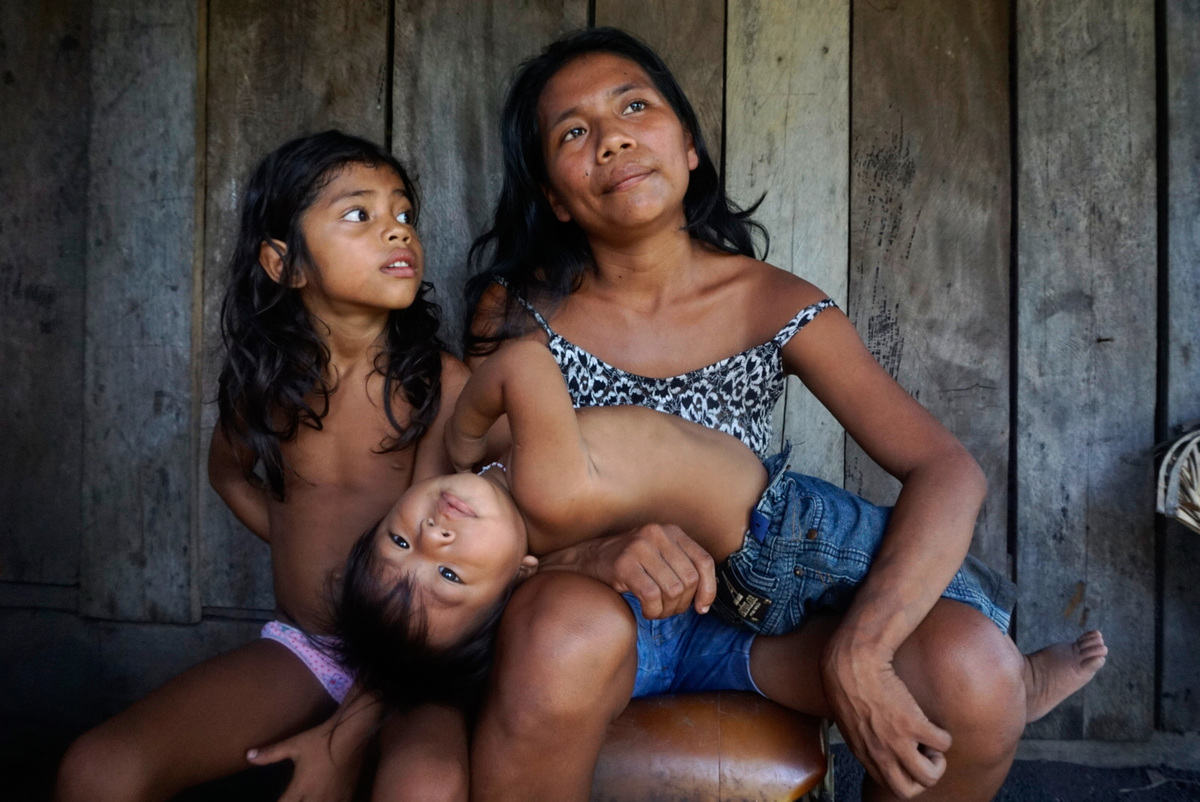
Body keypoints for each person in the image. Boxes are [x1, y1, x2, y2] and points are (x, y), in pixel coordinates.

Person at [460, 27, 1098, 801]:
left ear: (689, 146)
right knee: (567, 629)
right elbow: (472, 496)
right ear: (554, 197)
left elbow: (945, 469)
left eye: (634, 106)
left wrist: (860, 650)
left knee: (975, 674)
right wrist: (588, 558)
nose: (613, 139)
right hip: (586, 613)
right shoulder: (517, 313)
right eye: (574, 131)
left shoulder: (775, 303)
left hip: (759, 623)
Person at [331, 338, 1104, 724]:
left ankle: (995, 680)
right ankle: (1017, 673)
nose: (433, 540)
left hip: (732, 581)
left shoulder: (499, 499)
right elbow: (527, 361)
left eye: (397, 544)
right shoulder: (539, 481)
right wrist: (467, 435)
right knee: (908, 577)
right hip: (787, 529)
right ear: (523, 576)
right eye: (453, 576)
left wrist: (455, 455)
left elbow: (440, 485)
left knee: (873, 634)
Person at [53, 131, 470, 802]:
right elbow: (228, 475)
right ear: (284, 263)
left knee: (426, 790)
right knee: (96, 770)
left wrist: (344, 740)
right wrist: (302, 546)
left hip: (418, 664)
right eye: (360, 214)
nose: (397, 231)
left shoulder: (440, 387)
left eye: (403, 213)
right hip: (312, 650)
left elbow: (424, 595)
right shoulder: (268, 385)